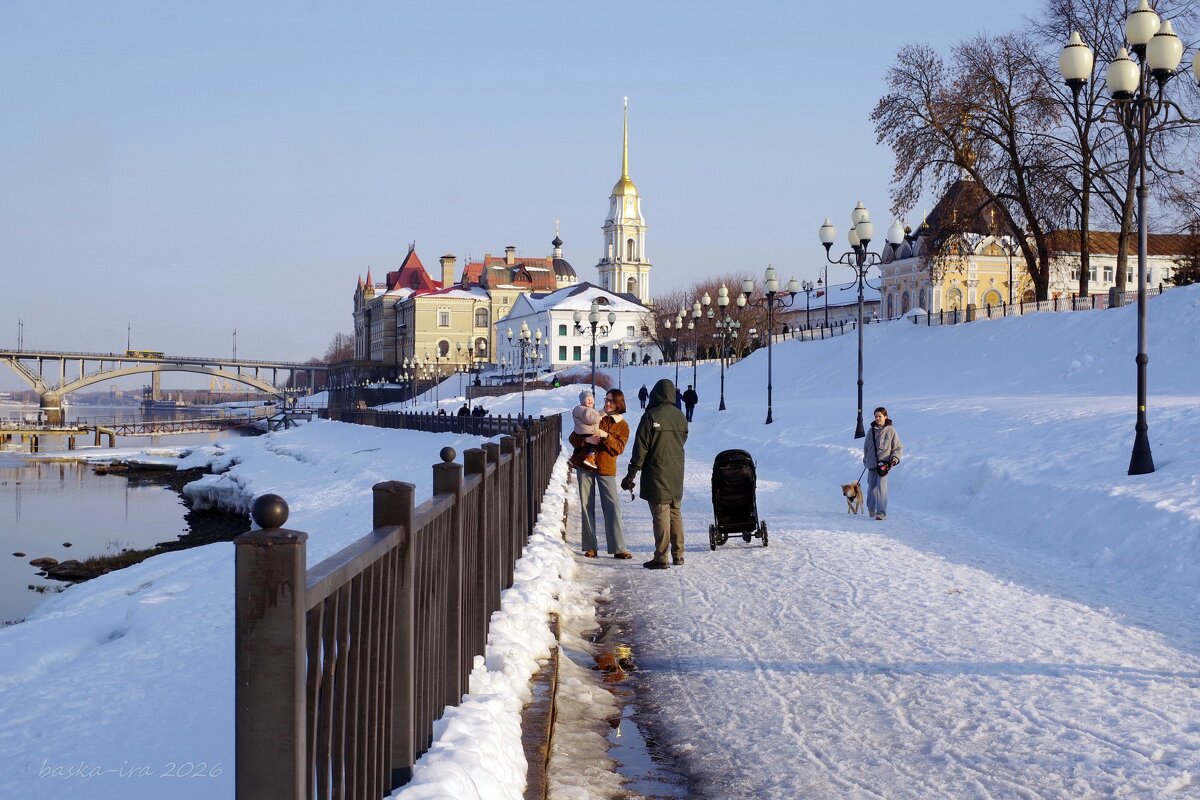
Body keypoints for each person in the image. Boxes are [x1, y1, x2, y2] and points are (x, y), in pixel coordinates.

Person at [622, 379, 688, 569]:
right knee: (675, 512)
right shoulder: (680, 416)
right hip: (676, 470)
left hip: (656, 470)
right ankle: (678, 555)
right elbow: (683, 439)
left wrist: (632, 473)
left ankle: (661, 557)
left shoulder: (650, 415)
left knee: (661, 513)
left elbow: (641, 447)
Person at [571, 389, 632, 560]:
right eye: (606, 399)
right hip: (585, 465)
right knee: (586, 505)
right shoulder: (593, 415)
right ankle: (590, 546)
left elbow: (618, 448)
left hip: (606, 468)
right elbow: (573, 438)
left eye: (612, 401)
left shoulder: (623, 425)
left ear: (619, 404)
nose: (607, 403)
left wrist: (605, 436)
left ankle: (618, 548)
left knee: (612, 506)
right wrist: (586, 440)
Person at [863, 406, 903, 521]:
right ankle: (871, 509)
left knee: (881, 487)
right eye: (876, 416)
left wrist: (895, 459)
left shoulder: (891, 431)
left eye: (880, 416)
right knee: (871, 487)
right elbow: (866, 447)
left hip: (884, 465)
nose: (877, 418)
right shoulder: (871, 431)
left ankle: (881, 512)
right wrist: (866, 460)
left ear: (885, 416)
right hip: (871, 464)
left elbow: (898, 448)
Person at [568, 391, 604, 470]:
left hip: (582, 431)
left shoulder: (582, 409)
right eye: (588, 399)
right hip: (587, 432)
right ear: (582, 401)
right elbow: (590, 419)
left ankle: (573, 458)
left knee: (579, 448)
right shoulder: (583, 409)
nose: (590, 401)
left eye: (591, 399)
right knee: (593, 444)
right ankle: (590, 458)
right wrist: (598, 418)